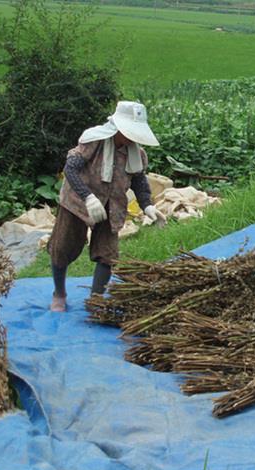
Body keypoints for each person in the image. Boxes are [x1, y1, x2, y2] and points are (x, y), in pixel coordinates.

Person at [48, 101, 167, 312]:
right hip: (77, 202)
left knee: (107, 253)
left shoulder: (136, 155)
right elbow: (70, 169)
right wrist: (88, 197)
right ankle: (59, 293)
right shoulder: (94, 142)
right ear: (118, 127)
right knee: (63, 247)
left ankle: (96, 299)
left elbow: (139, 181)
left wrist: (147, 206)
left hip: (112, 205)